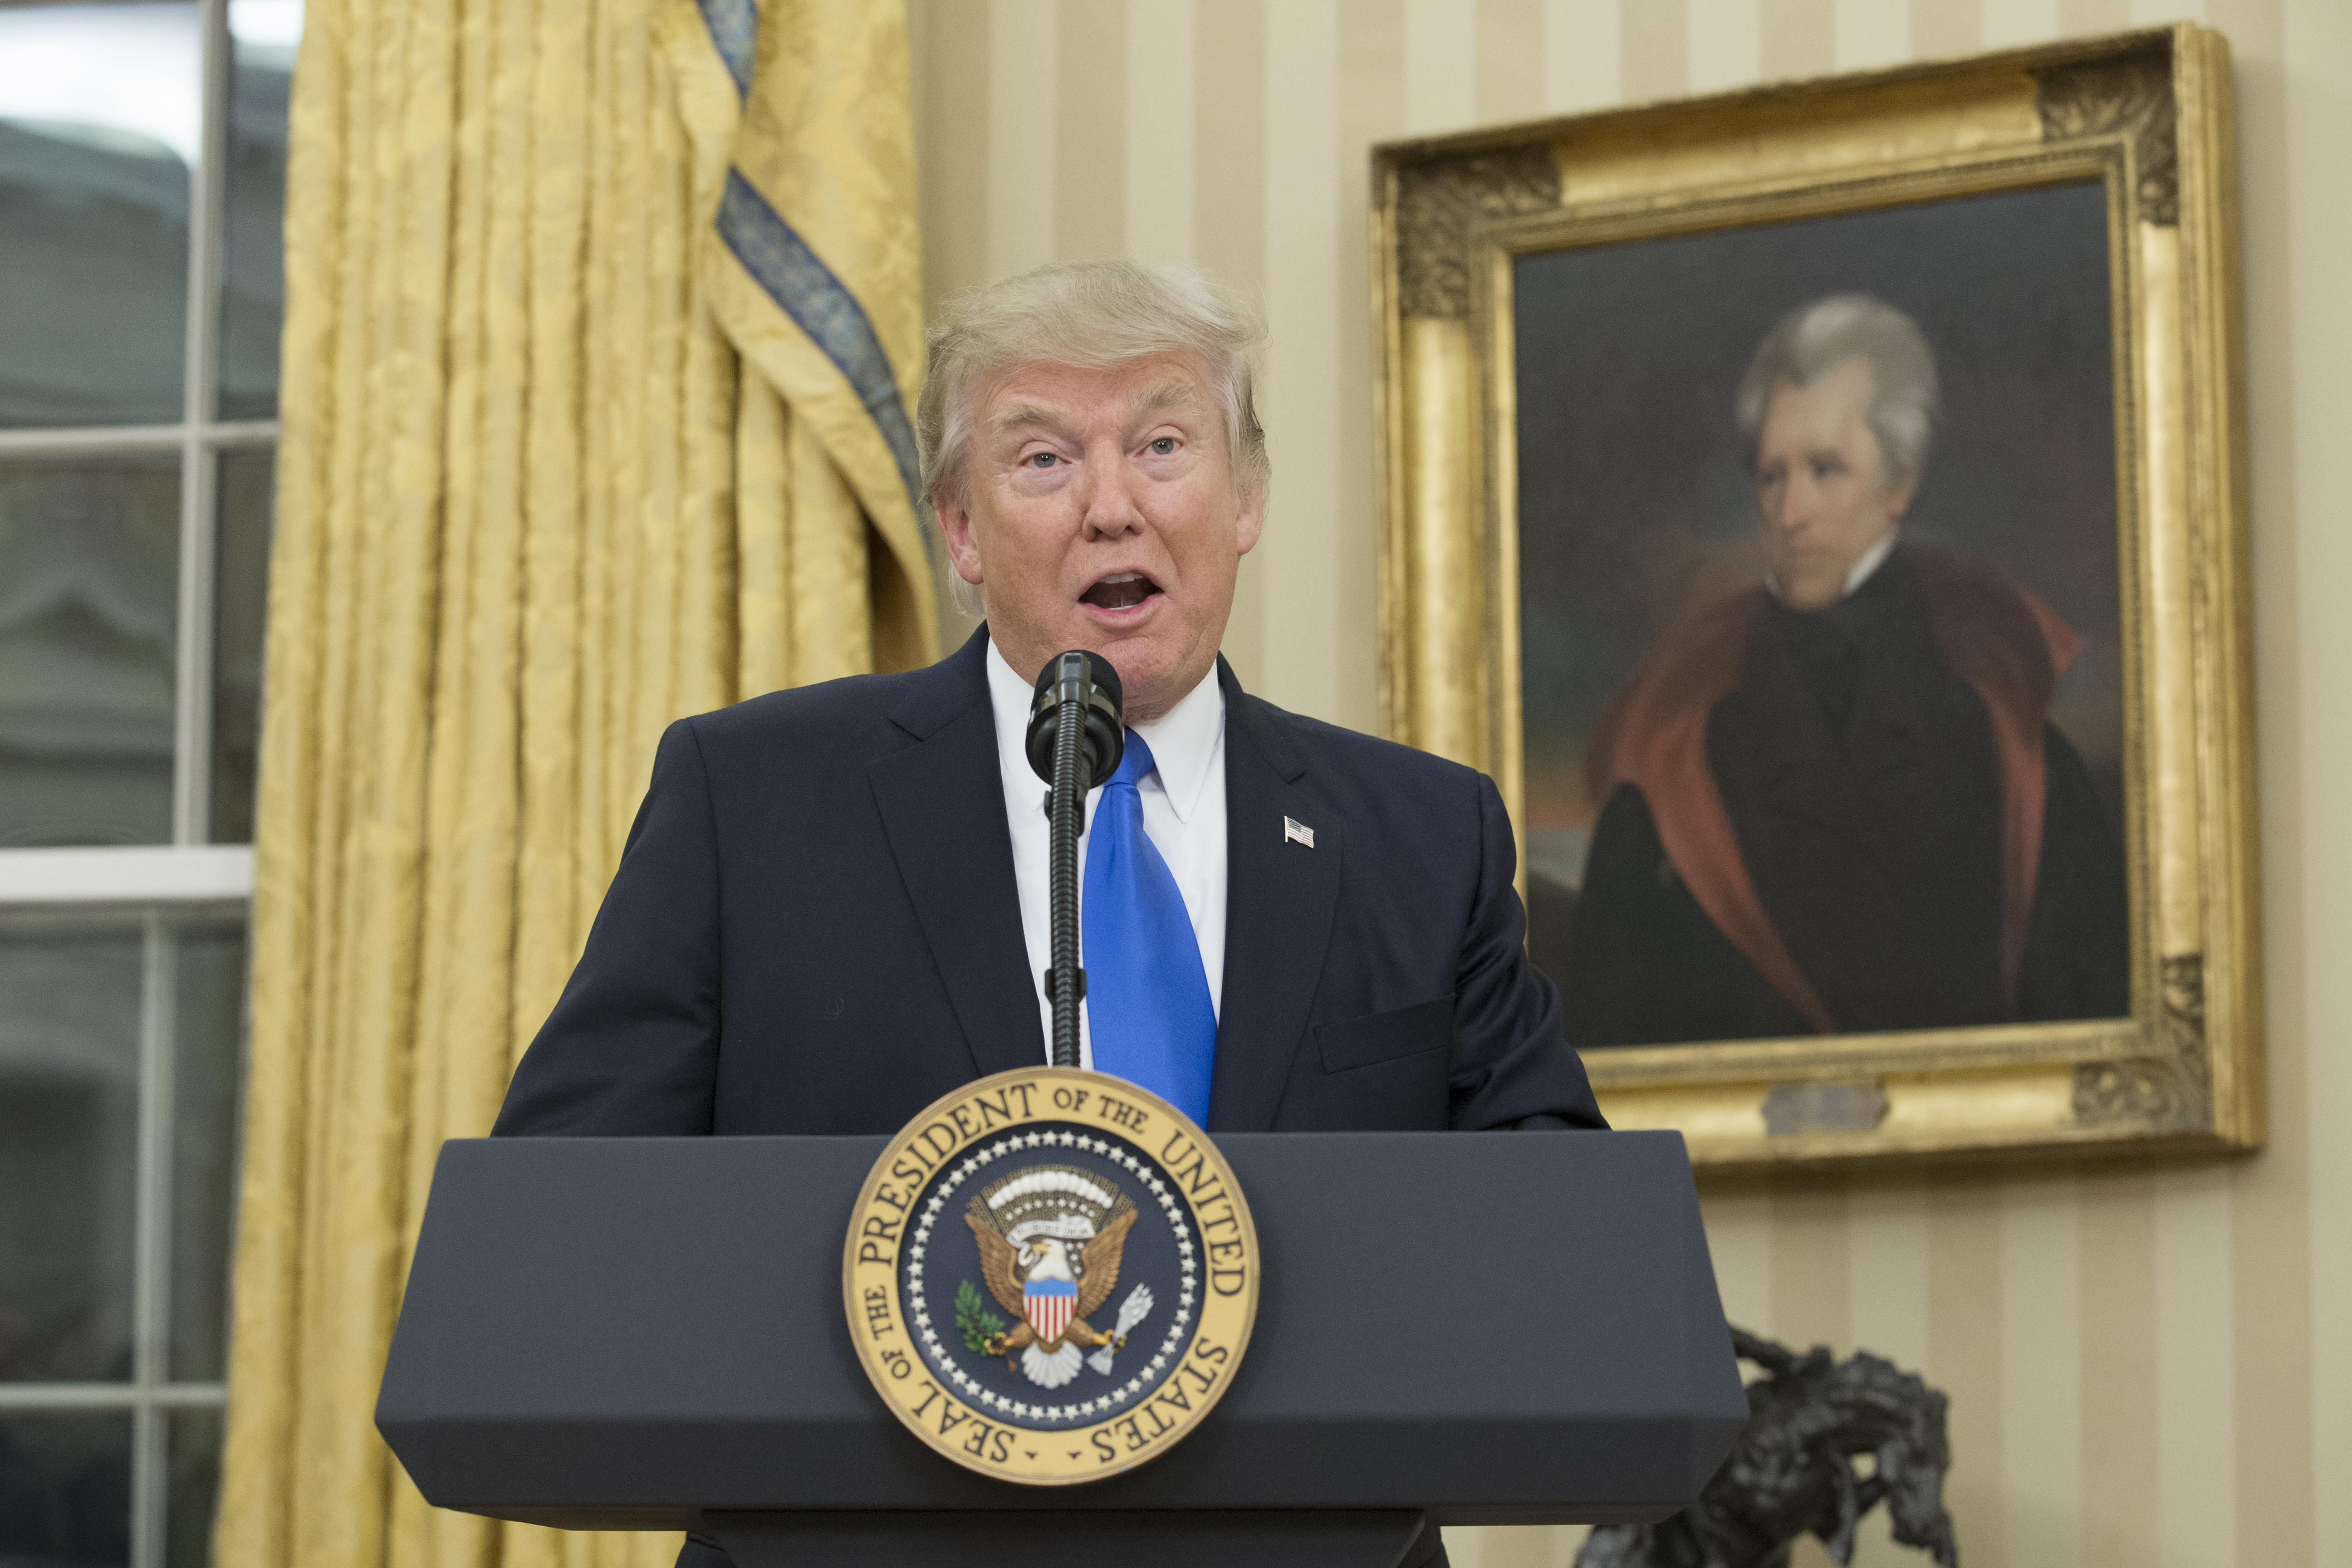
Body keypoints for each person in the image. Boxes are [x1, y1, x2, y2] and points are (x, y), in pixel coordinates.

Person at [491, 260, 1604, 1568]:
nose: (1112, 507)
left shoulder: (1422, 835)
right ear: (961, 531)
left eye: (1163, 443)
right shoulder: (752, 800)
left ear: (1245, 498)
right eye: (1042, 459)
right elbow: (567, 1217)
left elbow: (1557, 1238)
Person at [1558, 294, 2128, 1046]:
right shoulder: (1672, 777)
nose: (1791, 513)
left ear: (1899, 486)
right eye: (1771, 478)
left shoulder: (2019, 767)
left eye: (1826, 471)